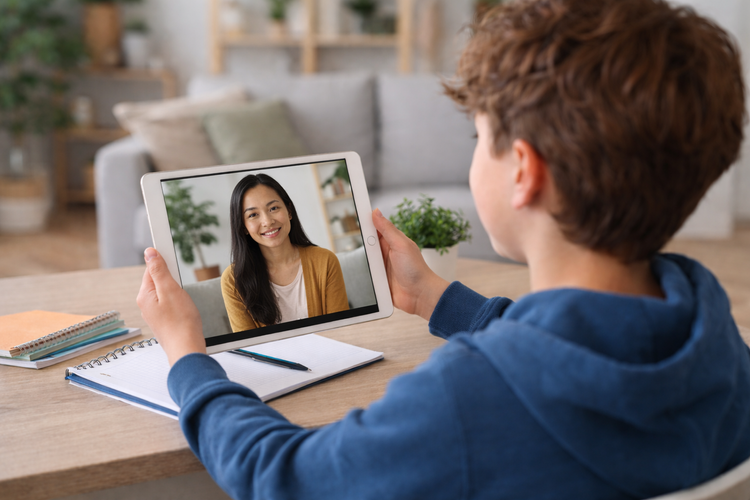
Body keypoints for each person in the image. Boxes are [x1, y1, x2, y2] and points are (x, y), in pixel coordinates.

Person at [136, 0, 750, 498]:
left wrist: (189, 360)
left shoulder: (465, 401)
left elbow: (284, 476)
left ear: (523, 174)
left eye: (480, 138)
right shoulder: (715, 335)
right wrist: (437, 299)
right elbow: (571, 349)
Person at [220, 173, 348, 332]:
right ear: (243, 226)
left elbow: (342, 331)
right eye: (253, 215)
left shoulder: (325, 260)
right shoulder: (233, 280)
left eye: (273, 208)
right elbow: (250, 348)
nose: (267, 221)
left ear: (289, 211)